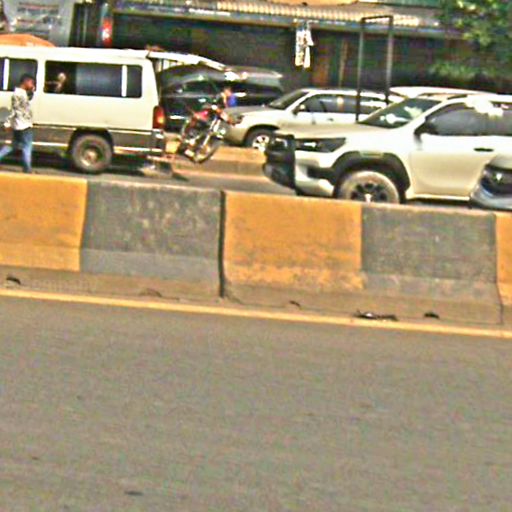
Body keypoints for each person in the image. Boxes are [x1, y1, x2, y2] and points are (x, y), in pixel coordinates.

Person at [0, 74, 36, 173]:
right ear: (26, 82)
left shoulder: (21, 93)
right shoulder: (19, 95)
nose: (32, 85)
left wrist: (31, 92)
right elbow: (14, 111)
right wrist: (7, 124)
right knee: (27, 147)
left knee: (14, 145)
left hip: (20, 125)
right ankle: (27, 169)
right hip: (24, 125)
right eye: (31, 83)